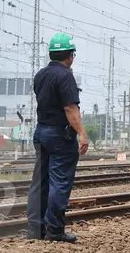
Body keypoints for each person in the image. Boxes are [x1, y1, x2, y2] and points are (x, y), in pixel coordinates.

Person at [26, 33, 87, 243]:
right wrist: (83, 134)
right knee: (59, 183)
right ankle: (55, 230)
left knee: (39, 183)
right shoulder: (65, 76)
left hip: (41, 132)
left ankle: (35, 229)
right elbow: (70, 108)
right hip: (60, 135)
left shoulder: (40, 75)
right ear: (70, 55)